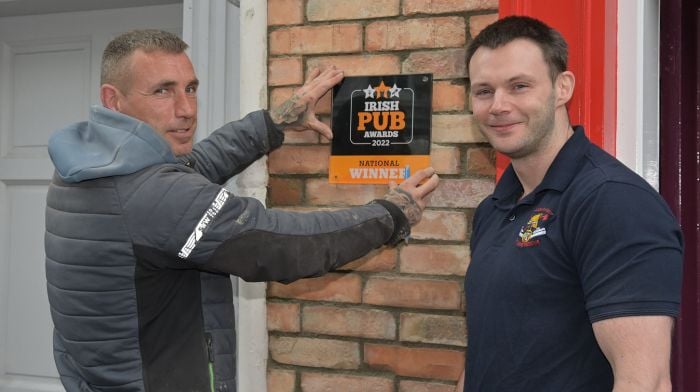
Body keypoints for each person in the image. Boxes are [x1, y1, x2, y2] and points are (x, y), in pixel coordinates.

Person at [44, 29, 438, 392]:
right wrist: (390, 215)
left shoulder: (89, 168)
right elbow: (277, 245)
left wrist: (275, 122)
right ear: (114, 99)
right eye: (163, 91)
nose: (186, 109)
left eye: (191, 88)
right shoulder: (151, 197)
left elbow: (193, 170)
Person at [455, 16, 683, 392]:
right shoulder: (494, 208)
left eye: (519, 86)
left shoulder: (615, 202)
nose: (498, 105)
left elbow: (646, 381)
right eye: (483, 91)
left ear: (562, 88)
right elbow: (485, 351)